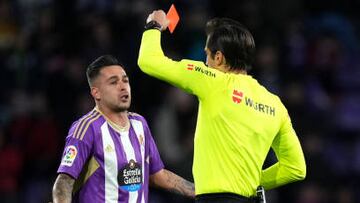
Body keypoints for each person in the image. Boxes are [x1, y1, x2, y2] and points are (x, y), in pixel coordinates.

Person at [138, 10, 306, 203]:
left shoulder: (212, 80)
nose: (206, 62)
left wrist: (154, 26)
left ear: (218, 58)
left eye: (207, 56)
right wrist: (250, 181)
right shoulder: (275, 104)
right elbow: (296, 168)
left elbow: (148, 61)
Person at [52, 55, 195, 203]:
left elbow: (157, 174)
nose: (122, 86)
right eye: (113, 82)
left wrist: (199, 192)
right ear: (96, 93)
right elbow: (64, 181)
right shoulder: (87, 128)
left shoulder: (140, 124)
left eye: (125, 81)